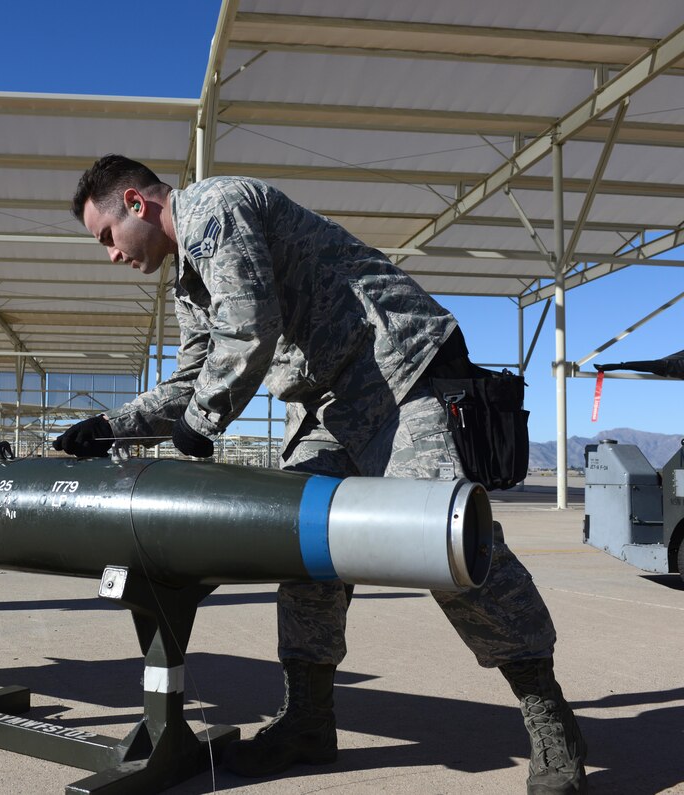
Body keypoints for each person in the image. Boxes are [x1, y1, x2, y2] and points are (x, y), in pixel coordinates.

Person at [55, 155, 586, 794]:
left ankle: (548, 717)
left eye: (106, 237)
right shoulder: (190, 280)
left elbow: (251, 329)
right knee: (301, 544)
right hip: (328, 398)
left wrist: (203, 424)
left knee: (442, 541)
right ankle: (309, 719)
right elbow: (194, 372)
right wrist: (115, 426)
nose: (110, 255)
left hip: (396, 371)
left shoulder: (215, 208)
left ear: (136, 204)